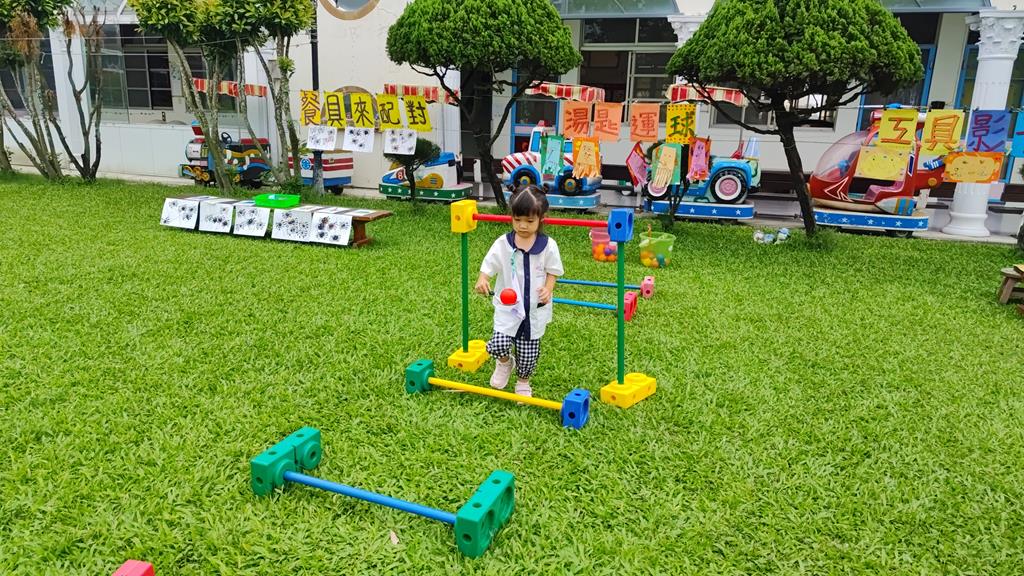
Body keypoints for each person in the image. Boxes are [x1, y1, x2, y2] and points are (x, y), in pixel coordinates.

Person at [474, 185, 564, 397]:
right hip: (508, 308)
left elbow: (553, 271)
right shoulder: (503, 243)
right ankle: (505, 363)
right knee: (497, 344)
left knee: (528, 353)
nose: (523, 225)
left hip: (534, 309)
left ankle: (523, 381)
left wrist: (548, 288)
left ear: (541, 218)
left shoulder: (548, 245)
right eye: (517, 220)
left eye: (529, 221)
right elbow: (489, 264)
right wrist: (483, 278)